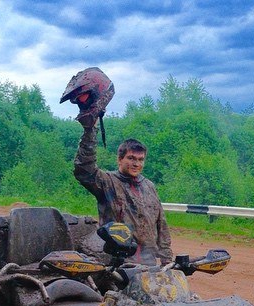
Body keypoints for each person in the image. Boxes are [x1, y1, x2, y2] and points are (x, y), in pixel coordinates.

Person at [61, 67, 173, 266]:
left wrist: (166, 258)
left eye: (140, 160)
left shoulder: (149, 187)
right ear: (120, 159)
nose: (136, 163)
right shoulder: (107, 182)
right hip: (117, 262)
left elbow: (161, 224)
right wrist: (90, 130)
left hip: (147, 262)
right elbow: (84, 170)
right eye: (131, 158)